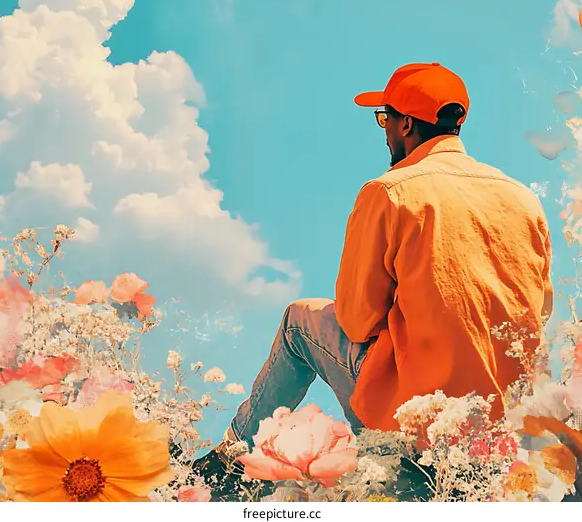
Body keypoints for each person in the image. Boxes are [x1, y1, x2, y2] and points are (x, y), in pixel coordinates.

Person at [191, 62, 553, 499]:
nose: (385, 132)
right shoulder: (523, 199)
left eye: (385, 119)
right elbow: (539, 311)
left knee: (298, 321)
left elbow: (358, 319)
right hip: (504, 430)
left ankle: (230, 462)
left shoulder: (391, 191)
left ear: (405, 124)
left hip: (417, 421)